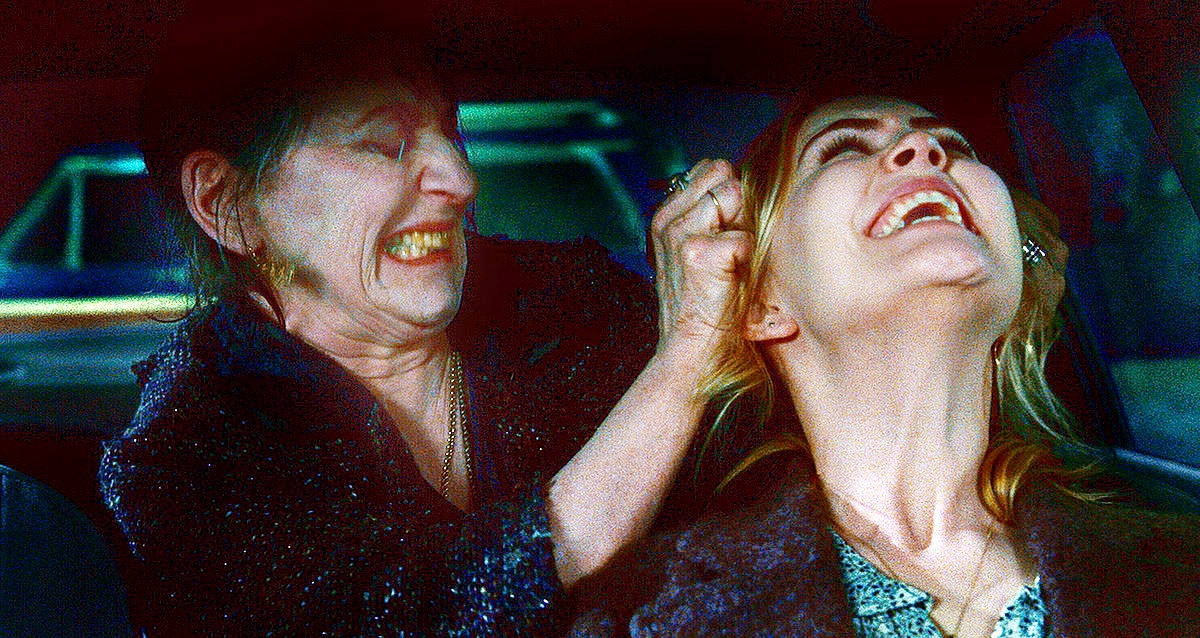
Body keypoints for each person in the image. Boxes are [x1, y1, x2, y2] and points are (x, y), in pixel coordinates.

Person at [98, 3, 751, 635]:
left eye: (450, 132)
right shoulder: (185, 461)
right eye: (384, 144)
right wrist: (683, 361)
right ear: (229, 205)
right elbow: (424, 615)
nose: (460, 179)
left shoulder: (562, 297)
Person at [570, 95, 1200, 637]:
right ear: (760, 301)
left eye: (955, 146)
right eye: (842, 149)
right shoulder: (652, 608)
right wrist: (688, 348)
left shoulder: (1175, 557)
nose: (925, 150)